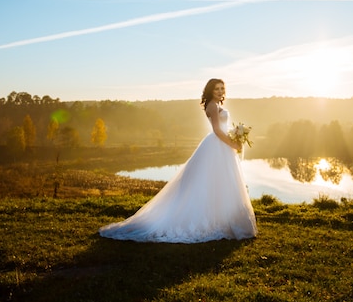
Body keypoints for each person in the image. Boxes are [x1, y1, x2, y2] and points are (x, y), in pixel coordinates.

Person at [99, 78, 257, 243]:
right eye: (216, 88)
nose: (220, 91)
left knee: (221, 183)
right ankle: (215, 221)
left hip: (222, 146)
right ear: (210, 91)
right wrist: (233, 143)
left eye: (222, 88)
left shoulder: (217, 105)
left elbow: (223, 128)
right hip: (217, 145)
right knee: (212, 182)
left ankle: (224, 219)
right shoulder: (212, 105)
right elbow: (217, 130)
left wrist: (236, 133)